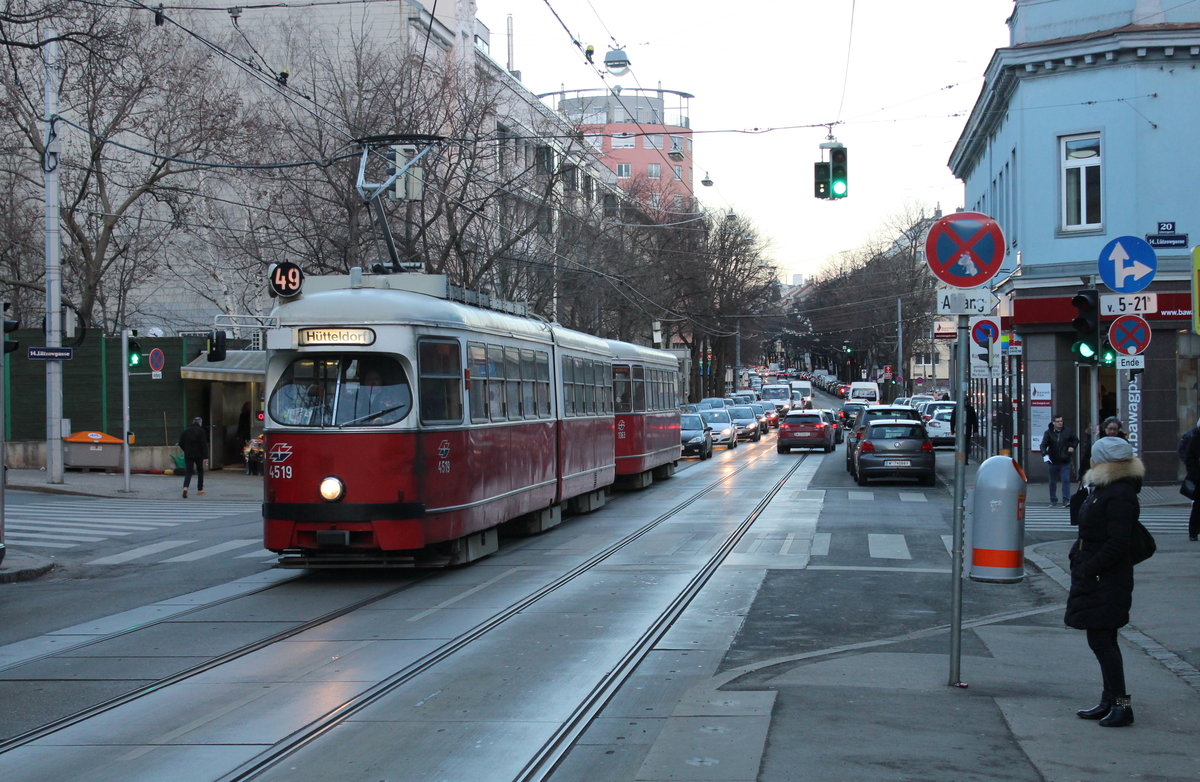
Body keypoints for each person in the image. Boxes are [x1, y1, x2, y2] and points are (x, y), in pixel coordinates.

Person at [1065, 436, 1143, 728]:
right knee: (1102, 639)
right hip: (1099, 576)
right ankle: (1109, 700)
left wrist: (1089, 567)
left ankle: (1122, 705)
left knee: (1103, 641)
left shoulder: (1119, 493)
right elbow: (1086, 528)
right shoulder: (1103, 488)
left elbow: (1118, 542)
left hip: (1106, 578)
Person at [1040, 414, 1078, 507]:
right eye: (1058, 421)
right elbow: (1043, 445)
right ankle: (1053, 500)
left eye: (1061, 421)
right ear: (1053, 423)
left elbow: (1076, 440)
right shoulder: (1049, 433)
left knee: (1065, 480)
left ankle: (1066, 500)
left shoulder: (1067, 431)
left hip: (1065, 460)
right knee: (1052, 482)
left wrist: (1072, 447)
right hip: (1053, 461)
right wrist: (1045, 453)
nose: (1060, 423)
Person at [178, 416, 208, 498]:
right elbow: (204, 444)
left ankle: (185, 487)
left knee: (188, 472)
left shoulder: (186, 431)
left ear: (193, 422)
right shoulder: (201, 431)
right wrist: (205, 457)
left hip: (188, 454)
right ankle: (200, 489)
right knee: (200, 471)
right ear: (200, 423)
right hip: (199, 455)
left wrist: (186, 449)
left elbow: (180, 443)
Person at [1182, 417, 1200, 541]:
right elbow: (1189, 459)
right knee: (1198, 506)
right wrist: (1195, 475)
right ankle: (1193, 532)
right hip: (1199, 478)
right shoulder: (1195, 439)